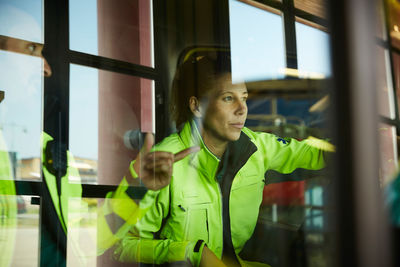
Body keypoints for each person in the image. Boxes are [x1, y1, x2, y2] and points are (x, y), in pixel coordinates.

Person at [112, 48, 332, 267]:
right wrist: (191, 253)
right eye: (228, 98)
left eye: (244, 98)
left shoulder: (257, 147)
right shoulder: (163, 163)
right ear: (197, 106)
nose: (242, 109)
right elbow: (123, 245)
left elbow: (316, 155)